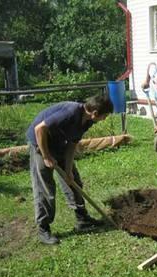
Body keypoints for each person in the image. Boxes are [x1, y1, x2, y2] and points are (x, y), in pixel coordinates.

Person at [26, 94, 113, 245]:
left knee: (74, 181)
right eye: (104, 116)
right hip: (40, 144)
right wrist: (46, 156)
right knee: (45, 188)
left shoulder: (87, 121)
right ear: (95, 113)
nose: (104, 119)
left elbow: (72, 144)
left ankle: (82, 219)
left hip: (59, 144)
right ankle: (43, 228)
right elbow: (39, 129)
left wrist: (68, 171)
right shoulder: (70, 112)